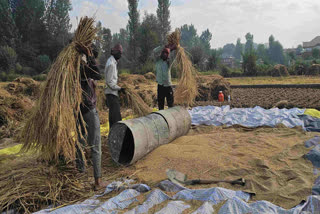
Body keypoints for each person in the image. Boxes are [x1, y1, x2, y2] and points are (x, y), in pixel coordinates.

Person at [75, 43, 107, 191]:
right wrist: (90, 56)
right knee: (95, 145)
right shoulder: (83, 68)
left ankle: (79, 177)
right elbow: (98, 74)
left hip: (77, 111)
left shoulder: (72, 68)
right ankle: (98, 181)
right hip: (88, 110)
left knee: (80, 143)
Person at [104, 44, 124, 130]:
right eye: (119, 53)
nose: (120, 55)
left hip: (111, 93)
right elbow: (110, 82)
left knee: (113, 116)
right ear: (115, 53)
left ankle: (113, 134)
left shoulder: (112, 62)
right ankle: (116, 135)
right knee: (116, 117)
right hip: (111, 94)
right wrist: (119, 88)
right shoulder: (111, 64)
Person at [153, 44, 177, 110]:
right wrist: (163, 46)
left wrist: (174, 48)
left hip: (168, 86)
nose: (165, 54)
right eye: (163, 53)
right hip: (160, 86)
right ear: (161, 53)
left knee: (170, 105)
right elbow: (154, 51)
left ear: (168, 55)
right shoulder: (157, 61)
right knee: (160, 106)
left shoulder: (169, 62)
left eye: (166, 53)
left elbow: (175, 55)